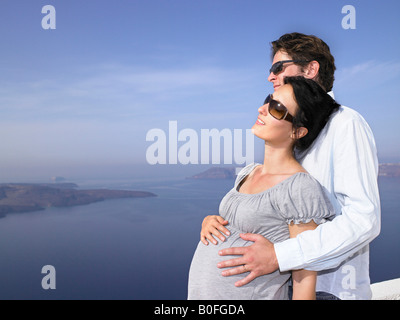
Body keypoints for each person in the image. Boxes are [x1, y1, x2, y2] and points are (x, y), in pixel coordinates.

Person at [201, 33, 381, 300]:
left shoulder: (344, 123)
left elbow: (363, 219)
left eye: (278, 67)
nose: (270, 77)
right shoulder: (288, 128)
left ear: (310, 69)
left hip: (329, 291)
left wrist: (279, 255)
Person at [188, 76, 339, 300]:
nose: (262, 109)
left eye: (277, 109)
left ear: (298, 132)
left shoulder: (299, 187)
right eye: (269, 100)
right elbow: (238, 227)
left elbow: (303, 278)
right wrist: (210, 222)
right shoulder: (248, 172)